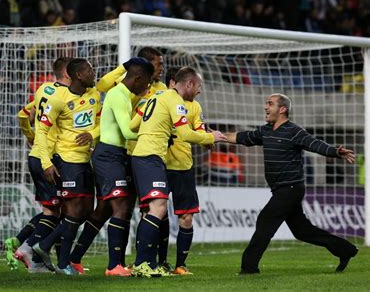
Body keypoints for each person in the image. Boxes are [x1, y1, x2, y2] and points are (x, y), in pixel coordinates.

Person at [223, 93, 358, 274]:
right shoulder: (265, 131)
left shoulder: (294, 131)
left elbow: (314, 144)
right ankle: (345, 250)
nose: (265, 107)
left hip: (291, 189)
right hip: (280, 189)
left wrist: (335, 152)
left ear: (282, 109)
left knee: (265, 220)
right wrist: (214, 136)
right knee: (301, 231)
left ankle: (249, 268)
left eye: (270, 104)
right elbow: (241, 137)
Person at [129, 67, 226, 277]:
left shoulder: (157, 97)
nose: (199, 91)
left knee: (159, 209)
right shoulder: (174, 100)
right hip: (152, 158)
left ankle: (148, 264)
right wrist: (211, 137)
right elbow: (184, 132)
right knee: (156, 210)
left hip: (153, 158)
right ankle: (143, 263)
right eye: (198, 86)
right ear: (188, 84)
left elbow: (132, 125)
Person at [33, 58, 101, 275]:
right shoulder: (58, 99)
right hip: (66, 159)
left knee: (86, 211)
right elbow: (41, 131)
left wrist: (92, 134)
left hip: (84, 161)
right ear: (78, 75)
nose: (93, 72)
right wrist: (46, 163)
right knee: (72, 211)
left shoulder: (94, 95)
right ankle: (63, 264)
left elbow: (100, 125)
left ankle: (45, 246)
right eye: (89, 70)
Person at [4, 57, 72, 272]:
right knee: (56, 213)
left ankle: (32, 258)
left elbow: (22, 114)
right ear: (69, 74)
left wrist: (29, 135)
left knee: (53, 209)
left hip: (36, 154)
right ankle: (26, 247)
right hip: (48, 157)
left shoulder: (44, 90)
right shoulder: (63, 96)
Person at [92, 58, 153, 276]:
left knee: (124, 209)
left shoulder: (127, 96)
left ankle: (116, 263)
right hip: (107, 155)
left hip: (119, 156)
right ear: (137, 78)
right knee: (118, 207)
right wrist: (154, 133)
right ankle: (112, 266)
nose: (147, 86)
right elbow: (127, 132)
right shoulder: (117, 95)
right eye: (147, 82)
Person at [161, 67, 209, 275]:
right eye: (198, 85)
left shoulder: (194, 107)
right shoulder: (161, 100)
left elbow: (199, 128)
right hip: (159, 166)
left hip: (183, 167)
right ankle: (158, 262)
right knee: (155, 215)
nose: (199, 90)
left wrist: (207, 139)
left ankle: (180, 265)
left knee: (187, 217)